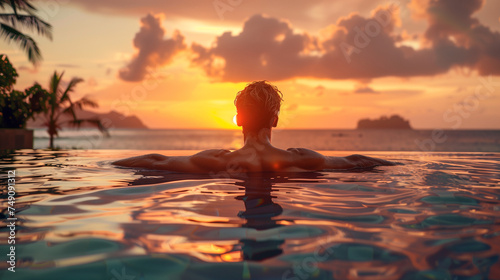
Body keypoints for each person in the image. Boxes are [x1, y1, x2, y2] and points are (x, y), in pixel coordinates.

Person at [113, 81, 397, 173]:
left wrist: (106, 164)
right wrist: (402, 164)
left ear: (238, 119)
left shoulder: (216, 161)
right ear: (275, 120)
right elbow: (356, 161)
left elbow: (154, 160)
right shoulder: (301, 159)